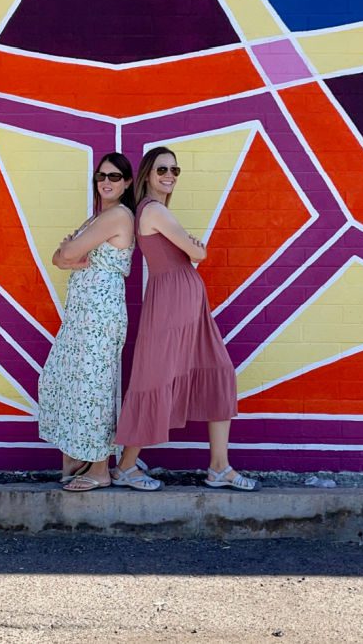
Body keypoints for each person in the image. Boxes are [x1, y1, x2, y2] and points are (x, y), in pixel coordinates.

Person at [112, 146, 257, 491]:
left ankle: (219, 467)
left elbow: (194, 251)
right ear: (147, 173)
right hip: (172, 301)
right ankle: (126, 466)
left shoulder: (158, 211)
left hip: (187, 301)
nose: (170, 176)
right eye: (163, 169)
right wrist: (194, 245)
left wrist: (193, 246)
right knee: (155, 377)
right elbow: (198, 252)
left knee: (219, 371)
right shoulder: (154, 211)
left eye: (175, 171)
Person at [38, 153, 136, 492]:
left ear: (126, 183)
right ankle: (79, 458)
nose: (106, 182)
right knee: (67, 379)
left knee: (96, 386)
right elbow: (57, 257)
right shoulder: (97, 218)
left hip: (100, 311)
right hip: (82, 312)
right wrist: (69, 257)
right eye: (101, 176)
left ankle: (99, 468)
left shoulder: (118, 216)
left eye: (114, 176)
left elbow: (66, 255)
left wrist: (72, 257)